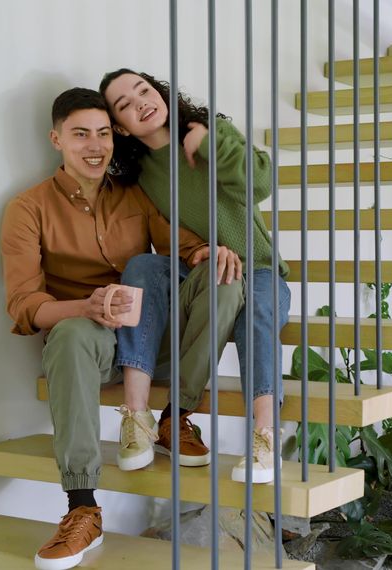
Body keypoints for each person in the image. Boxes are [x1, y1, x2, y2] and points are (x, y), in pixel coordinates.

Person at [0, 87, 243, 570]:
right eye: (80, 134)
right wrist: (83, 307)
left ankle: (177, 416)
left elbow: (180, 245)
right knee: (68, 334)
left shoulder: (134, 195)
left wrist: (207, 250)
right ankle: (83, 507)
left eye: (104, 133)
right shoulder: (28, 209)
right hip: (90, 339)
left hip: (151, 336)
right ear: (57, 139)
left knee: (224, 279)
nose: (95, 145)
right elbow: (24, 305)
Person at [100, 68, 291, 485]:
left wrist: (210, 144)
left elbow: (261, 182)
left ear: (161, 92)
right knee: (141, 267)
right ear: (120, 126)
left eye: (144, 91)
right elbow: (162, 231)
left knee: (256, 312)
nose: (141, 104)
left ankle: (263, 436)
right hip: (194, 270)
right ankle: (136, 417)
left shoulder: (210, 133)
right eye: (125, 105)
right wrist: (197, 249)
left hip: (255, 268)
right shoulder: (139, 174)